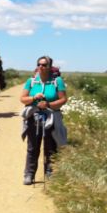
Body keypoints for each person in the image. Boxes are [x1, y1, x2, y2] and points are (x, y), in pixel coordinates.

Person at [20, 56, 68, 185]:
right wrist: (34, 97)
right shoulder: (31, 81)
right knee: (32, 147)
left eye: (44, 65)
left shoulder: (57, 81)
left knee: (50, 147)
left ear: (49, 67)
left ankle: (50, 172)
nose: (41, 67)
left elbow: (63, 99)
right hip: (34, 117)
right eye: (39, 64)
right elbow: (23, 99)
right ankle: (29, 174)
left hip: (51, 117)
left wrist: (48, 105)